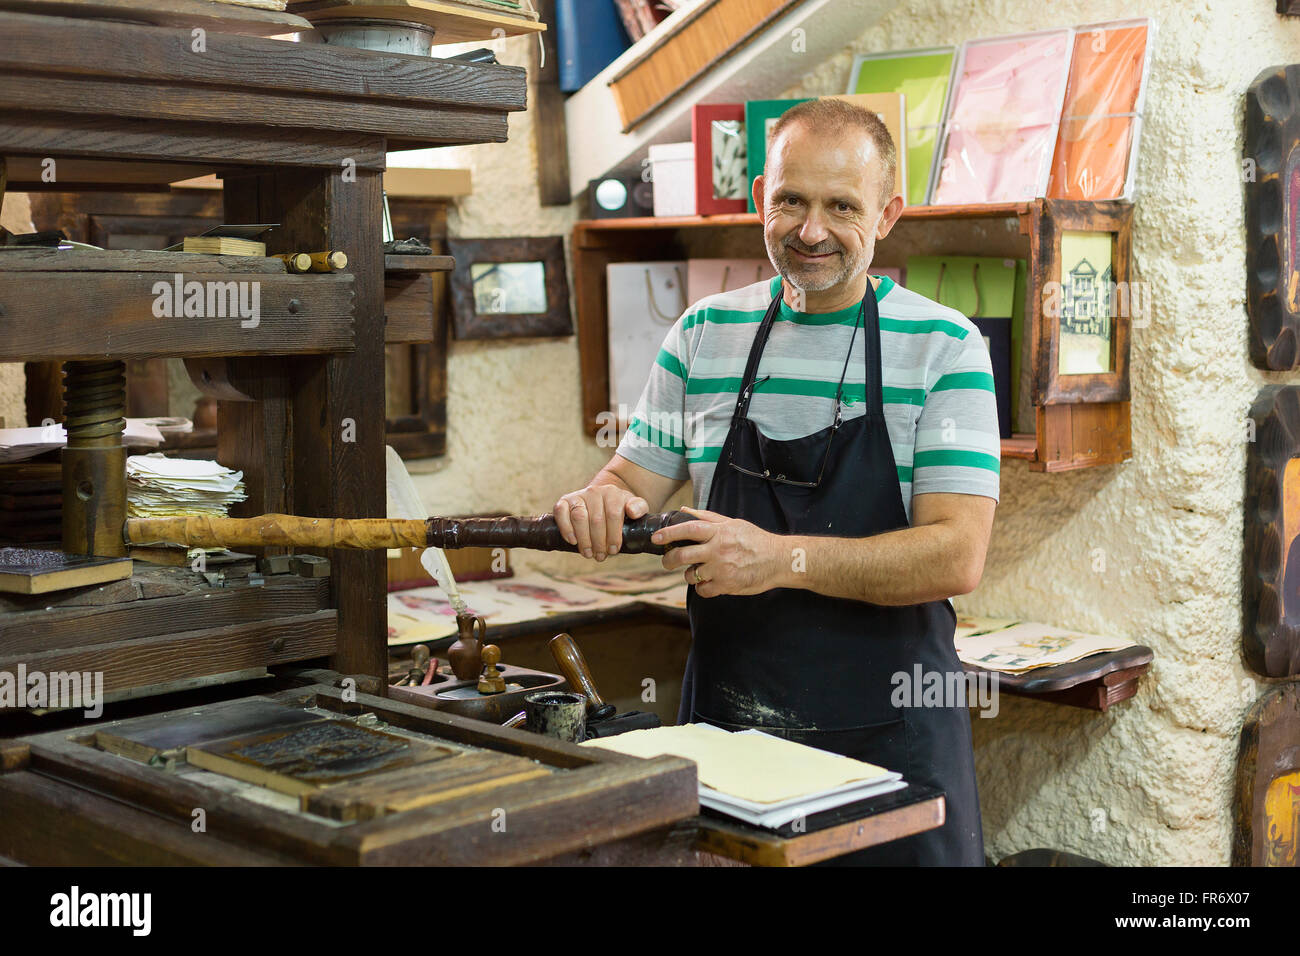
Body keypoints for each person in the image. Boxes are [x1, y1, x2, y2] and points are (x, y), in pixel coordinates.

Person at [554, 97, 999, 865]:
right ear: (762, 195)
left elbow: (956, 556)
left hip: (892, 737)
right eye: (790, 200)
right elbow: (631, 480)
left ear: (888, 214)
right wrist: (601, 501)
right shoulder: (702, 334)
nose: (811, 230)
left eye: (841, 206)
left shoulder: (944, 347)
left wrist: (780, 559)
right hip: (732, 736)